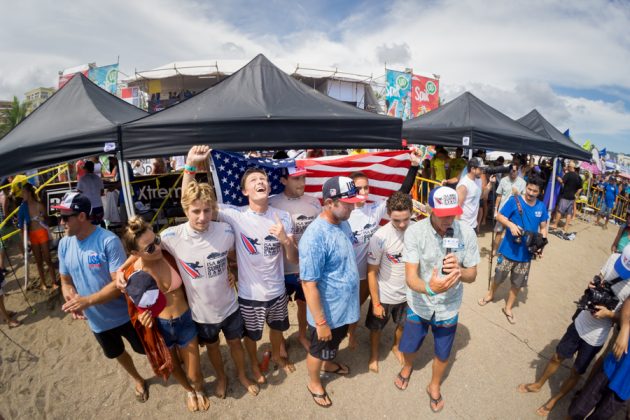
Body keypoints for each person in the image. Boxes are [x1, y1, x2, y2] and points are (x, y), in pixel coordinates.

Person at [117, 181, 260, 398]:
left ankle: (242, 375)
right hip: (201, 314)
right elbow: (143, 248)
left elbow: (232, 256)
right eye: (196, 211)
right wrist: (121, 269)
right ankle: (221, 377)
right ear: (186, 210)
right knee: (212, 349)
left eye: (207, 210)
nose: (202, 217)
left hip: (230, 305)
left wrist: (230, 271)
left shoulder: (226, 230)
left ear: (213, 208)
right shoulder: (170, 237)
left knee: (235, 344)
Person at [184, 145, 297, 383]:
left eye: (263, 178)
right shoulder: (235, 215)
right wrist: (190, 167)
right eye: (254, 179)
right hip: (249, 294)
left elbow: (293, 259)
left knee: (278, 330)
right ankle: (255, 366)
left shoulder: (283, 217)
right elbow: (193, 203)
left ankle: (277, 356)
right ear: (245, 191)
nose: (260, 181)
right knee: (252, 337)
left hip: (278, 291)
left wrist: (285, 240)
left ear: (269, 186)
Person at [56, 193, 149, 403]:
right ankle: (137, 379)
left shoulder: (108, 240)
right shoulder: (64, 244)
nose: (60, 223)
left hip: (125, 315)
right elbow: (65, 280)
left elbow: (119, 286)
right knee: (116, 353)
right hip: (97, 322)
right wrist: (71, 298)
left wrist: (87, 301)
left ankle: (172, 366)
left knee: (146, 349)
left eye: (65, 217)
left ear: (81, 216)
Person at [518, 245, 630, 417]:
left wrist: (609, 314)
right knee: (558, 355)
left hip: (597, 336)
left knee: (577, 371)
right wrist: (593, 285)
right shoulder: (614, 259)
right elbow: (599, 277)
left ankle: (554, 400)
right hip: (582, 321)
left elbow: (624, 317)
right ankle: (538, 383)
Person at [395, 186, 479, 413]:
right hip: (419, 303)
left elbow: (473, 274)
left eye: (452, 213)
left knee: (443, 351)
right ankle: (407, 367)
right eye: (443, 215)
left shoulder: (467, 233)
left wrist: (460, 271)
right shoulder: (415, 232)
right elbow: (411, 277)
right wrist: (430, 289)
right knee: (410, 344)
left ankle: (434, 385)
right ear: (431, 209)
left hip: (449, 307)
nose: (448, 220)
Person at [121, 217, 210, 412]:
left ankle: (199, 388)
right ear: (135, 253)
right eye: (150, 248)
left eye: (157, 240)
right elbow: (136, 309)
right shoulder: (132, 275)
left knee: (194, 374)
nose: (157, 248)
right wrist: (143, 319)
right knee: (173, 365)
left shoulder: (169, 254)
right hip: (160, 327)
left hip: (185, 321)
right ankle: (189, 391)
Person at [299, 176, 364, 408]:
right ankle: (314, 382)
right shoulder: (315, 237)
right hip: (326, 312)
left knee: (333, 343)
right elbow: (308, 284)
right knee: (318, 349)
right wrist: (320, 322)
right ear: (328, 202)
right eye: (347, 203)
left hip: (344, 308)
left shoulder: (343, 222)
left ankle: (328, 363)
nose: (353, 207)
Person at [346, 151, 420, 347]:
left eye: (366, 187)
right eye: (358, 188)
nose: (363, 192)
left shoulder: (374, 209)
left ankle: (352, 332)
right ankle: (347, 332)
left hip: (369, 271)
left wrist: (413, 166)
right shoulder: (344, 213)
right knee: (349, 306)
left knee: (359, 305)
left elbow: (401, 193)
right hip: (349, 272)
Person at [478, 175, 548, 322]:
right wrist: (510, 225)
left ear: (539, 192)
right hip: (508, 250)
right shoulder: (514, 201)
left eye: (535, 191)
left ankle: (508, 307)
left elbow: (543, 227)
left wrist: (541, 245)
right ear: (526, 187)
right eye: (529, 189)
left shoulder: (541, 207)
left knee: (517, 283)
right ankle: (490, 294)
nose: (530, 193)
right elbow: (499, 216)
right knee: (498, 277)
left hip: (526, 255)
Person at [269, 166, 322, 351]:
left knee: (303, 304)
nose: (302, 183)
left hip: (305, 267)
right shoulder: (271, 203)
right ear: (283, 180)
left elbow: (320, 232)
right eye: (296, 179)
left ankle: (301, 335)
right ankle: (280, 340)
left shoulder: (314, 202)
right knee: (279, 308)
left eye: (304, 178)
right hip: (280, 269)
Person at [366, 191, 413, 373]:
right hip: (384, 294)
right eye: (396, 220)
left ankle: (396, 346)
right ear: (388, 214)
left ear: (411, 212)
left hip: (408, 294)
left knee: (403, 325)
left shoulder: (416, 230)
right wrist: (376, 303)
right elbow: (371, 272)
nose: (402, 224)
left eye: (406, 219)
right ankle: (374, 354)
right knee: (376, 329)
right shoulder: (380, 237)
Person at [568, 297, 630, 419]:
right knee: (577, 409)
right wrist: (625, 329)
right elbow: (628, 305)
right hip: (615, 363)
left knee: (601, 416)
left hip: (626, 386)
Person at [17, 183, 57, 291]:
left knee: (47, 259)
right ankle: (43, 283)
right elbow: (20, 225)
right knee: (38, 260)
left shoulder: (39, 205)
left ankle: (54, 282)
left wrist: (43, 218)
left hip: (42, 233)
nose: (22, 194)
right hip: (32, 235)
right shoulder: (23, 208)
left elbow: (48, 220)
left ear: (29, 193)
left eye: (23, 192)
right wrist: (25, 240)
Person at [492, 162, 526, 254]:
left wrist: (518, 194)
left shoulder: (522, 182)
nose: (512, 172)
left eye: (514, 170)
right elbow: (499, 196)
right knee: (499, 231)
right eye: (511, 170)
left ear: (517, 171)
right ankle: (495, 250)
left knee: (513, 232)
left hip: (515, 212)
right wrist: (495, 210)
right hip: (503, 211)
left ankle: (507, 252)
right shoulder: (503, 180)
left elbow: (524, 199)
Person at [456, 157, 494, 231]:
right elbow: (457, 207)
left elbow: (480, 196)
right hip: (463, 225)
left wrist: (490, 184)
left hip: (473, 224)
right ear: (473, 169)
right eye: (480, 169)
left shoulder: (478, 180)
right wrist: (456, 228)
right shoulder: (464, 185)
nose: (482, 171)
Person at [551, 161, 582, 233]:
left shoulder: (568, 174)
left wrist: (557, 177)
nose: (567, 167)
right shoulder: (578, 176)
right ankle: (566, 227)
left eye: (568, 166)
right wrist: (576, 194)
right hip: (572, 197)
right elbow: (580, 188)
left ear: (571, 167)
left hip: (565, 196)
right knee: (569, 213)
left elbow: (562, 181)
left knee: (560, 211)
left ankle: (555, 225)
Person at [77, 160, 105, 226]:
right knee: (99, 223)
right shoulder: (98, 178)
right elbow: (102, 192)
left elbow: (79, 193)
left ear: (85, 169)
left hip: (88, 207)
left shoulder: (82, 179)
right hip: (98, 205)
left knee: (90, 226)